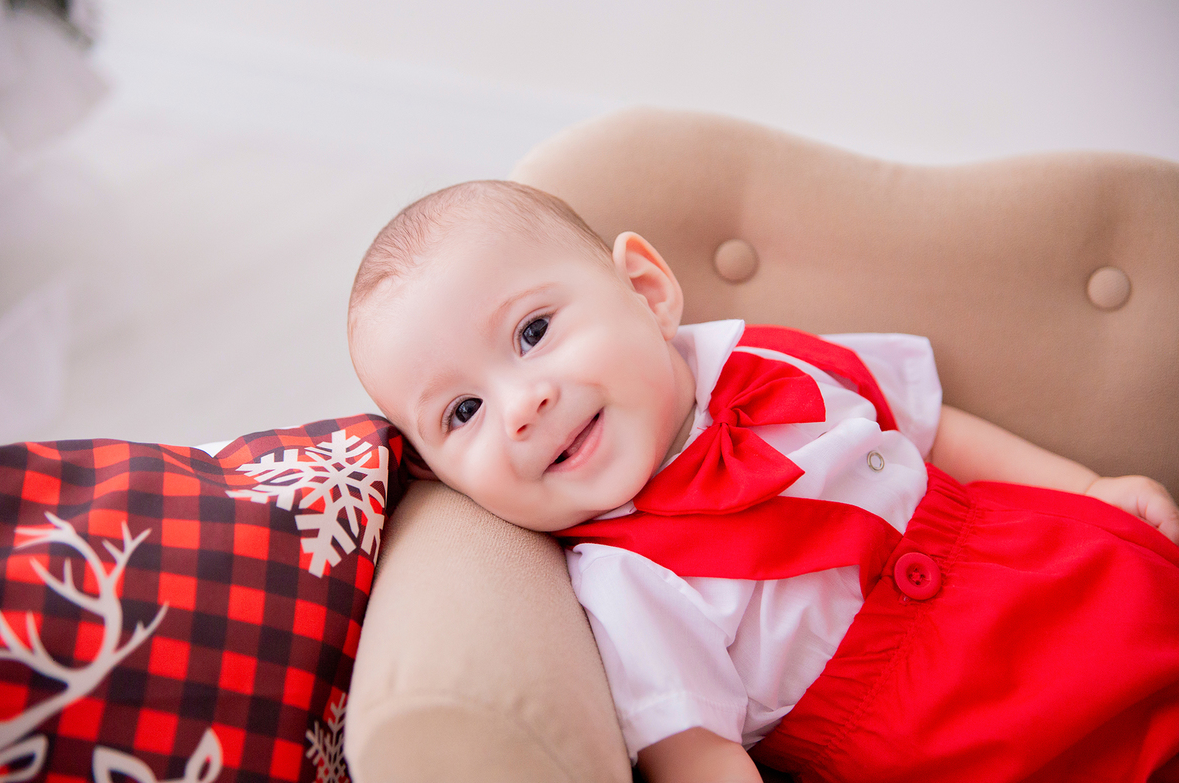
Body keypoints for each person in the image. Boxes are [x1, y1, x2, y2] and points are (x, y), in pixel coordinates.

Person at [346, 179, 1179, 783]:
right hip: (961, 741)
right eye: (462, 413)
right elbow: (700, 758)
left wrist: (1088, 486)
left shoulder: (769, 356)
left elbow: (932, 426)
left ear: (645, 291)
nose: (520, 406)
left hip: (1068, 573)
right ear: (436, 470)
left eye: (533, 331)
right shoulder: (628, 581)